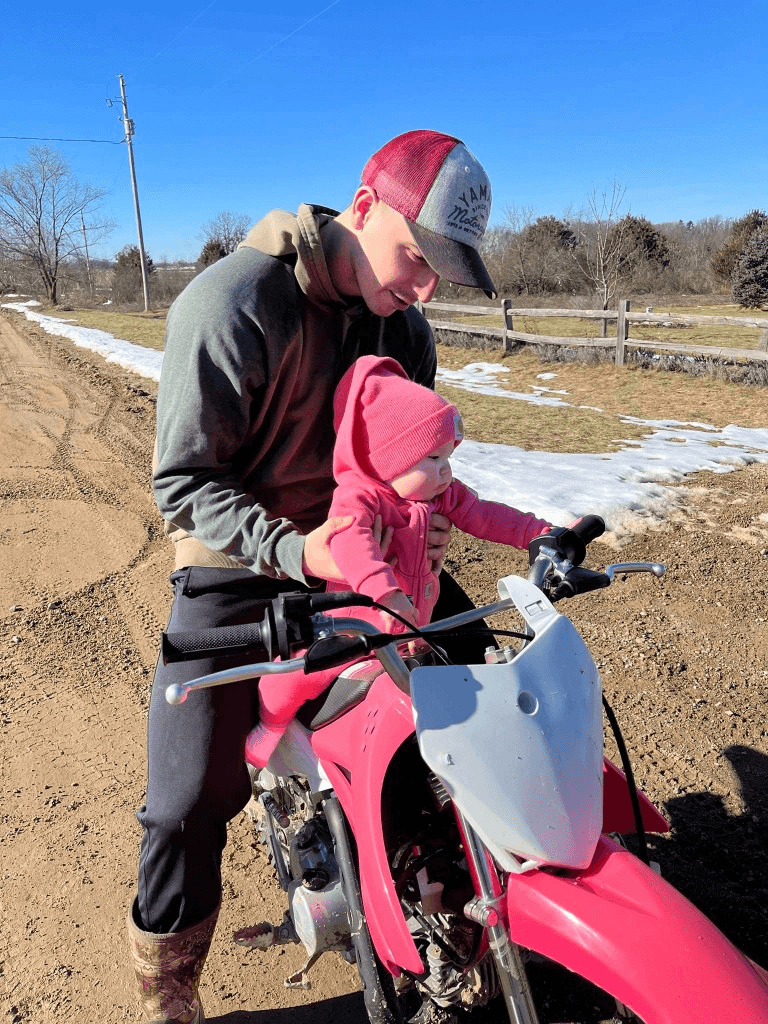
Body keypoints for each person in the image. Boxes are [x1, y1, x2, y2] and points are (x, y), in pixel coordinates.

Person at [128, 129, 498, 1024]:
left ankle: (457, 907)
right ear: (364, 208)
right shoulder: (232, 303)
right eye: (417, 258)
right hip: (240, 564)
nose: (424, 289)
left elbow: (404, 466)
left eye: (442, 271)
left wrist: (420, 525)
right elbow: (182, 484)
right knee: (184, 800)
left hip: (358, 555)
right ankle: (167, 989)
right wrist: (299, 553)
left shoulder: (404, 330)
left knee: (477, 689)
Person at [246, 354, 553, 768]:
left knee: (458, 686)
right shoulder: (360, 497)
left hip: (414, 630)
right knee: (296, 676)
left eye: (448, 457)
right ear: (388, 460)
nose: (446, 472)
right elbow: (350, 541)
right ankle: (270, 724)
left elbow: (485, 515)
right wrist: (384, 591)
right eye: (433, 459)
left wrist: (540, 533)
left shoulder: (439, 494)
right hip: (353, 631)